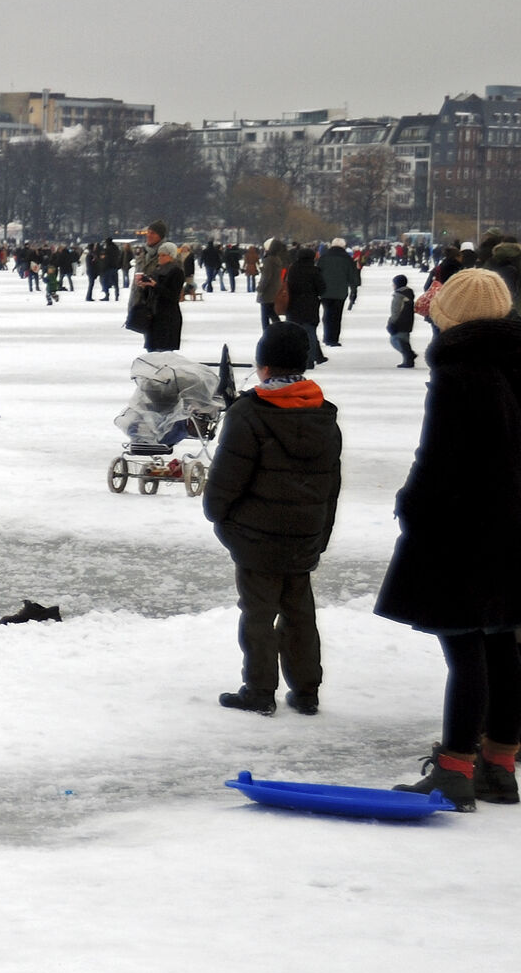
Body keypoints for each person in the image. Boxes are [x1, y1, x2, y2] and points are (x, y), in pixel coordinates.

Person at [375, 269, 521, 811]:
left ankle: (456, 767)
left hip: (464, 529)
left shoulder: (460, 372)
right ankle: (500, 765)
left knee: (465, 645)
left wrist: (411, 507)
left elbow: (437, 460)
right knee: (502, 643)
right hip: (514, 526)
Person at [208, 323, 341, 717]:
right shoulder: (324, 414)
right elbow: (331, 484)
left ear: (263, 366)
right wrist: (320, 532)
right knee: (300, 613)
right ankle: (306, 691)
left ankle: (259, 690)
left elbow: (226, 480)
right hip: (304, 534)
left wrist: (221, 518)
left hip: (256, 536)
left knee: (259, 614)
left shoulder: (248, 413)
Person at [134, 242, 186, 352]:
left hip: (168, 317)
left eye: (163, 255)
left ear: (171, 256)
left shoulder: (177, 272)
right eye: (159, 255)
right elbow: (150, 294)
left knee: (163, 351)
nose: (160, 258)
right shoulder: (157, 270)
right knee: (152, 351)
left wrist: (155, 285)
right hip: (154, 316)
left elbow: (173, 296)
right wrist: (145, 287)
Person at [284, 246, 327, 365]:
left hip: (293, 305)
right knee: (310, 333)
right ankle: (310, 360)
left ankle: (295, 358)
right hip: (310, 305)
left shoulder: (292, 269)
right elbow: (322, 289)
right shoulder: (314, 271)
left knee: (294, 333)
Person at [318, 238, 358, 347]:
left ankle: (327, 336)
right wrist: (354, 290)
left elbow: (318, 273)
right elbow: (352, 277)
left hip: (324, 291)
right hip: (340, 292)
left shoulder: (323, 258)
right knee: (336, 315)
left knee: (327, 313)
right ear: (343, 246)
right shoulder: (347, 259)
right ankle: (333, 338)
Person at [386, 274, 418, 367]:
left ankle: (409, 355)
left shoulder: (399, 296)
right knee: (404, 341)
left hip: (399, 323)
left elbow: (396, 311)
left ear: (397, 284)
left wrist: (391, 322)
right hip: (408, 322)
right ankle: (408, 360)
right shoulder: (408, 294)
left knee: (395, 340)